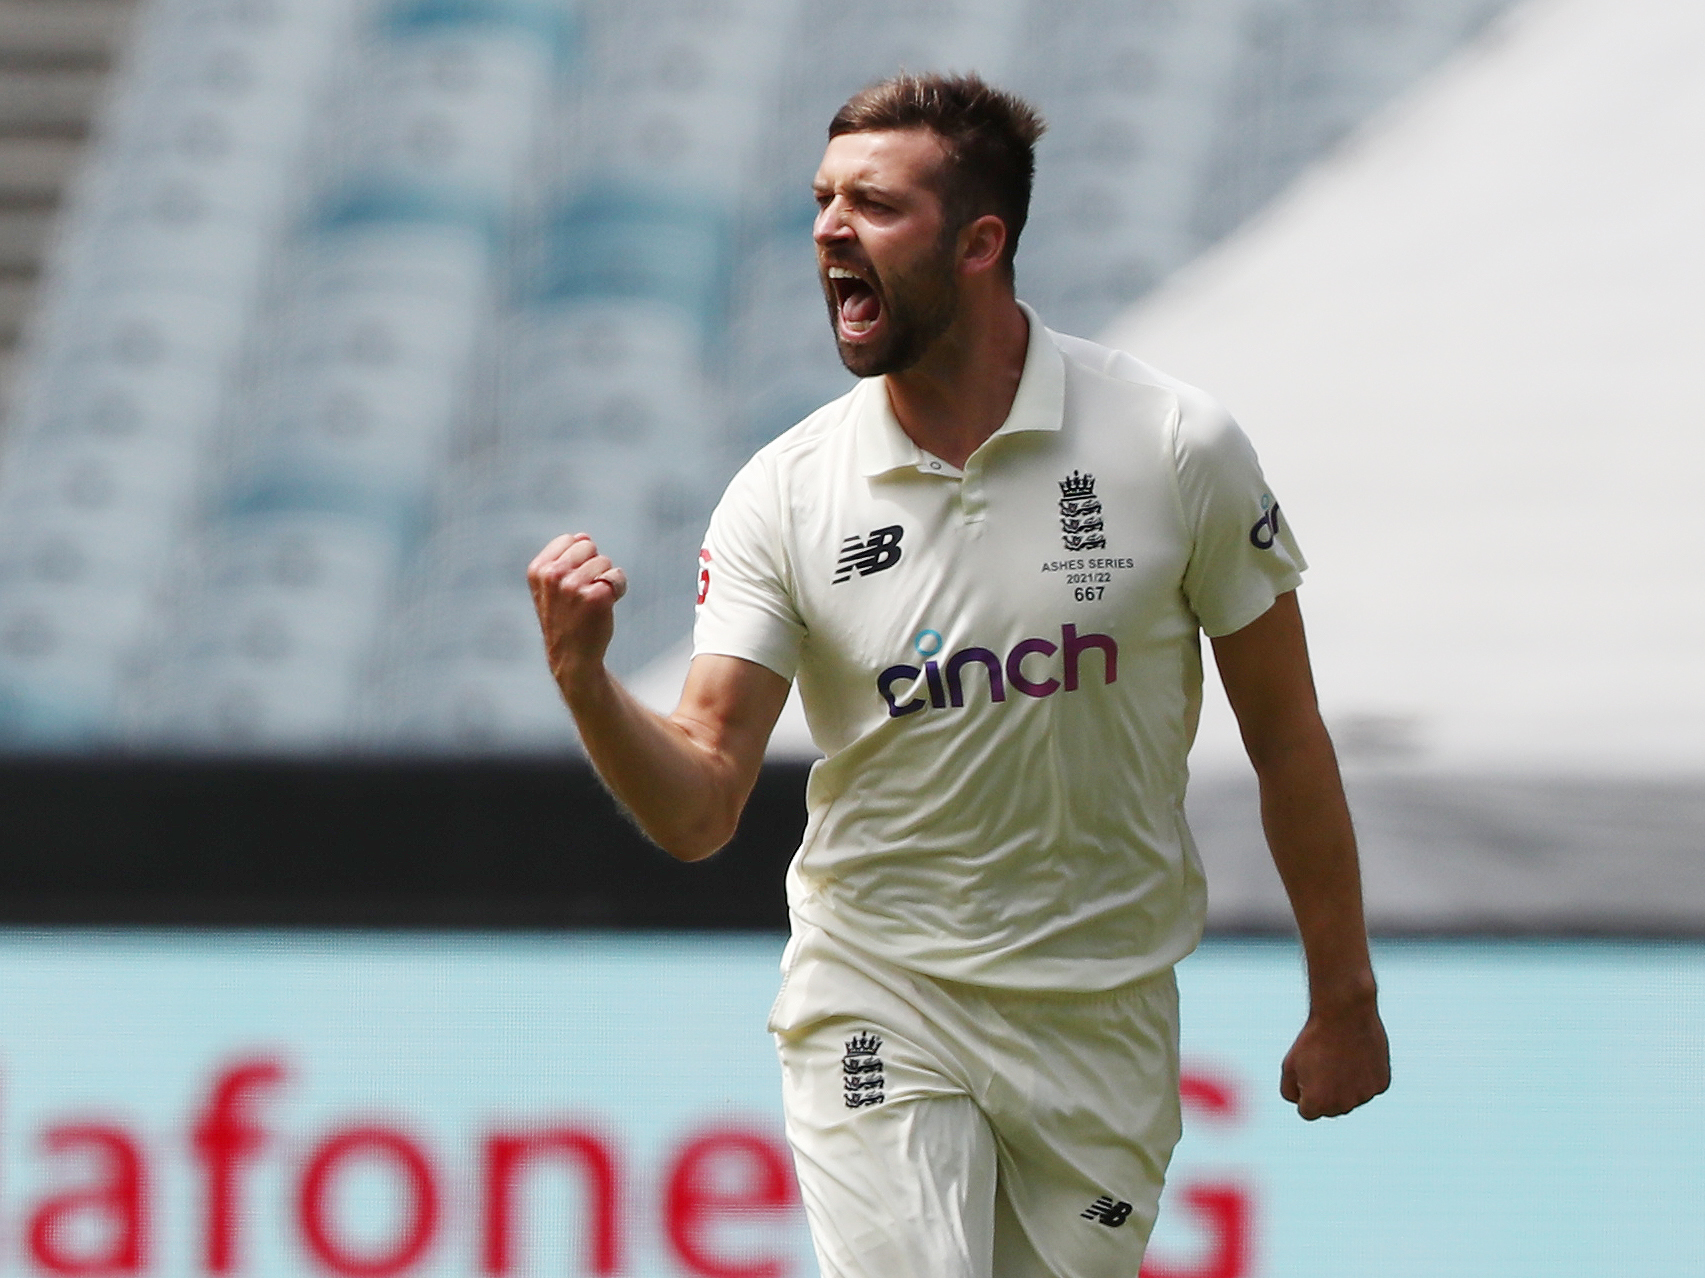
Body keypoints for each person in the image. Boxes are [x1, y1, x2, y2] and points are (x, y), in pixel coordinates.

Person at [529, 71, 1389, 1278]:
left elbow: (1288, 737)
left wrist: (1342, 994)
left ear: (982, 242)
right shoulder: (786, 491)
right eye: (822, 201)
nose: (829, 229)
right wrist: (586, 683)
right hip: (882, 995)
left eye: (873, 206)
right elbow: (699, 803)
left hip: (1101, 1015)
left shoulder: (1174, 444)